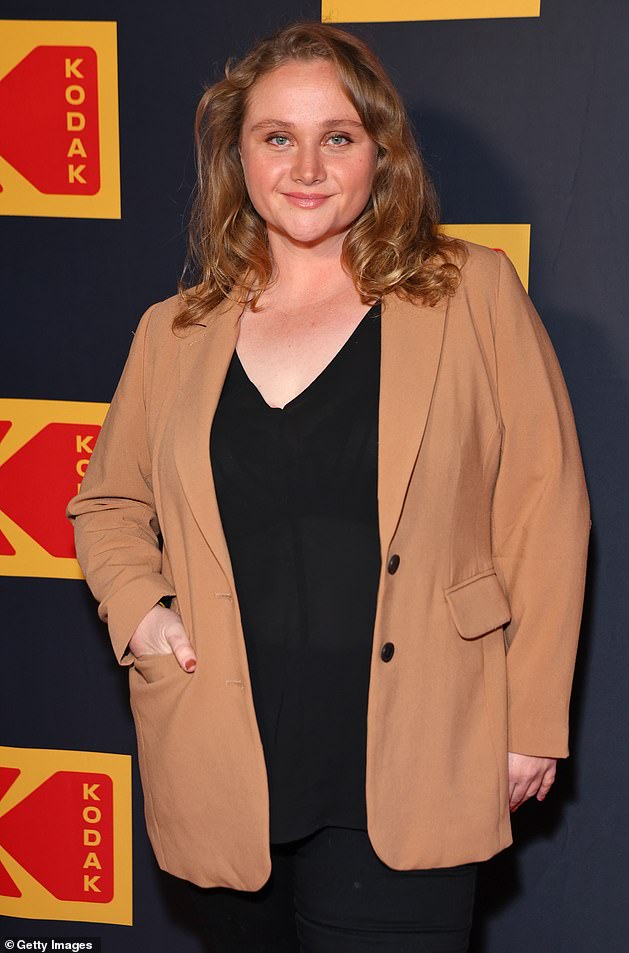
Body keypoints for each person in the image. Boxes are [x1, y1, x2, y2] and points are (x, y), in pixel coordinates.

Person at [66, 19, 591, 953]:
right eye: (278, 138)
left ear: (379, 154)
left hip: (421, 751)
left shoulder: (469, 293)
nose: (306, 166)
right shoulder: (173, 332)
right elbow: (107, 504)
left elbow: (545, 505)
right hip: (225, 764)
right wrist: (145, 613)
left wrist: (531, 717)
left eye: (336, 137)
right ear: (239, 154)